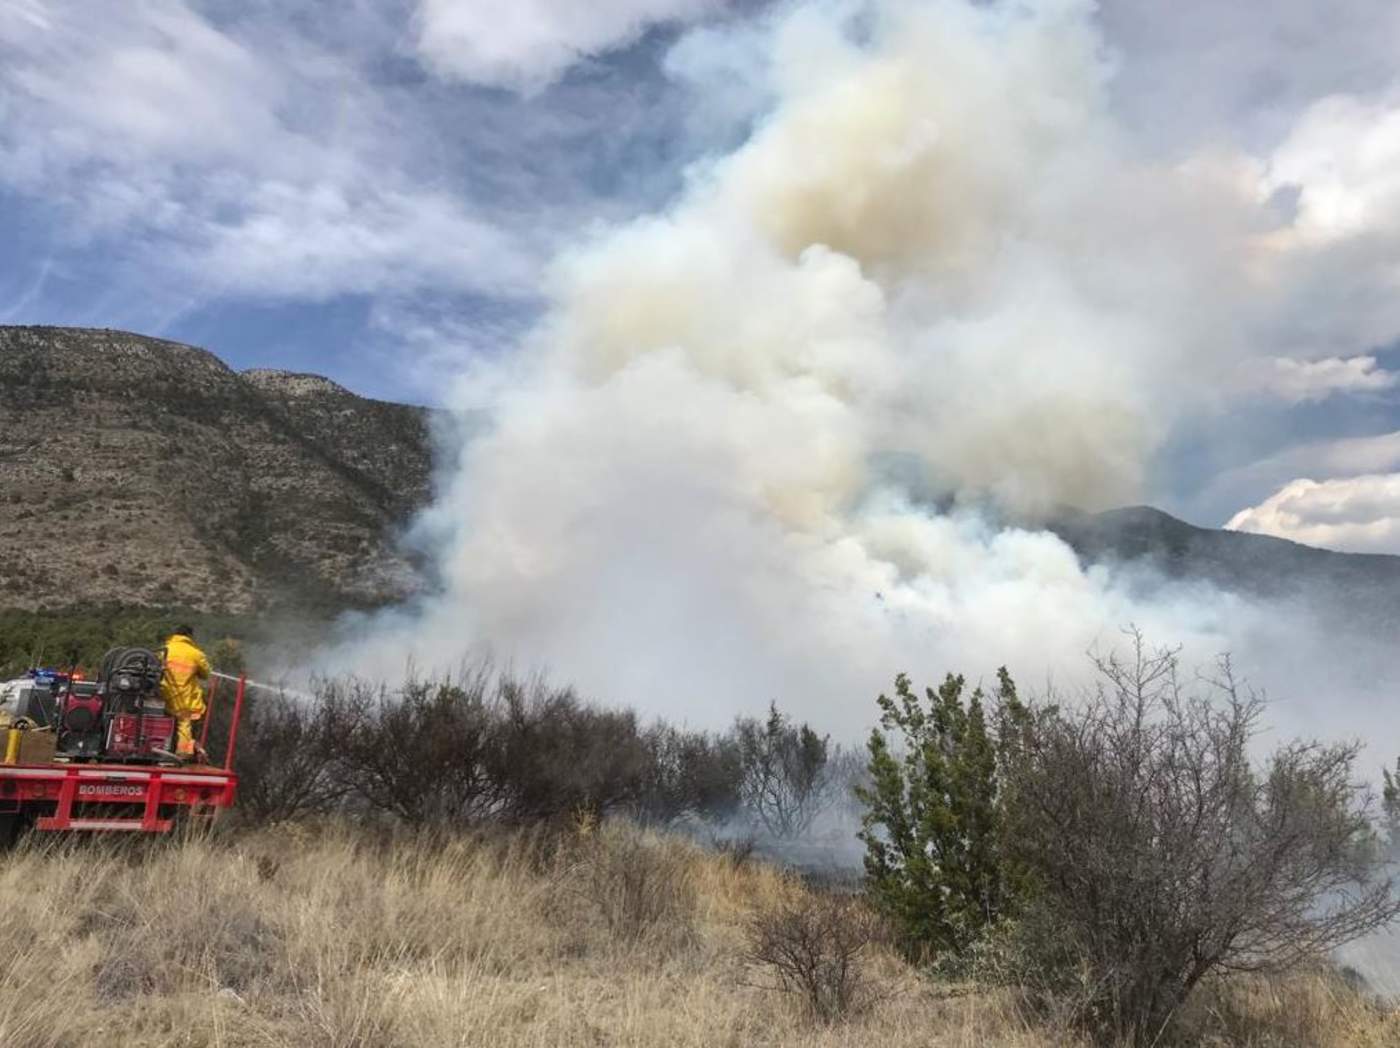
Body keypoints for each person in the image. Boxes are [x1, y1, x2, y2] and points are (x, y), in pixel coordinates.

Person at [160, 625, 211, 760]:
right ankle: (183, 753)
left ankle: (159, 749)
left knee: (162, 720)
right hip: (185, 697)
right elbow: (206, 674)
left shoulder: (165, 650)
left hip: (164, 693)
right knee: (184, 724)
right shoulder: (196, 654)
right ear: (190, 636)